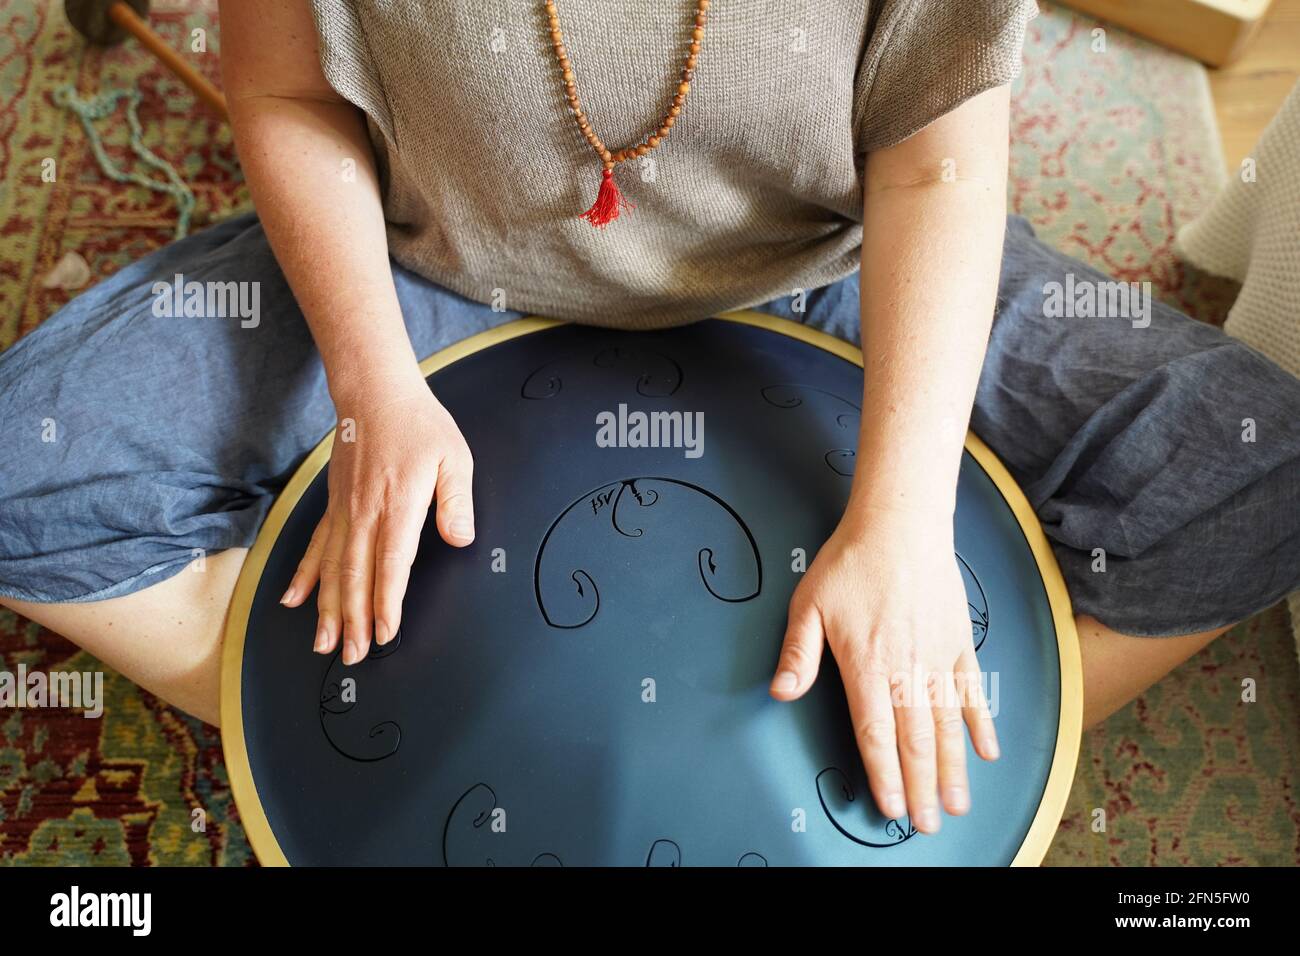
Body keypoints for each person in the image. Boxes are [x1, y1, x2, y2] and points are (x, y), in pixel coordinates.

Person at [1, 0, 1297, 839]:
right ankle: (347, 718)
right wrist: (371, 384)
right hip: (435, 255)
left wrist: (901, 531)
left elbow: (939, 160)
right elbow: (287, 97)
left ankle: (916, 747)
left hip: (827, 256)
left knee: (1260, 472)